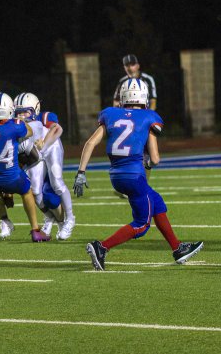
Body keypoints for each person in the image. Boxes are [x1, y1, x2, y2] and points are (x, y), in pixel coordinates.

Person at [74, 78, 202, 270]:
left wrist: (81, 172)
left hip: (116, 176)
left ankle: (177, 248)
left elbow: (90, 143)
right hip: (134, 176)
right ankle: (101, 247)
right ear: (144, 97)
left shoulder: (110, 114)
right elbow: (155, 159)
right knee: (142, 225)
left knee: (156, 202)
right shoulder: (149, 117)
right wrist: (148, 162)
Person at [0, 92, 49, 242]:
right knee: (27, 192)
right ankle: (35, 230)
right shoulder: (15, 126)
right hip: (13, 178)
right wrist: (20, 121)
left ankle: (5, 220)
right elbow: (29, 132)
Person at [13, 92, 76, 240]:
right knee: (35, 191)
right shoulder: (16, 125)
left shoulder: (44, 116)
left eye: (25, 112)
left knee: (57, 183)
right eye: (18, 113)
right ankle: (49, 217)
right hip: (37, 155)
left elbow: (57, 129)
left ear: (36, 109)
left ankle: (70, 219)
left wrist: (44, 143)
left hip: (51, 148)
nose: (21, 116)